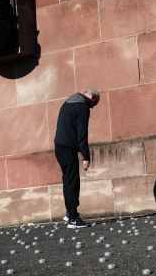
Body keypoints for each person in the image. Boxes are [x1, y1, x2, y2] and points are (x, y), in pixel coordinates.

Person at [54, 89, 100, 228]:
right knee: (73, 182)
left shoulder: (68, 102)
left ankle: (69, 213)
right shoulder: (82, 106)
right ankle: (73, 218)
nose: (92, 107)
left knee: (68, 180)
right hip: (68, 148)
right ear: (92, 97)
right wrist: (86, 155)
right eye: (93, 103)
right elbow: (81, 134)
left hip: (59, 146)